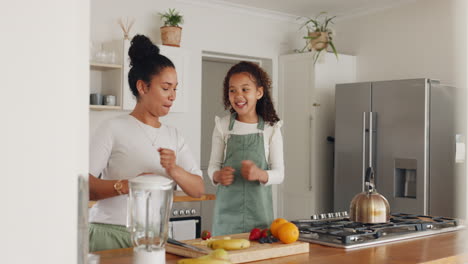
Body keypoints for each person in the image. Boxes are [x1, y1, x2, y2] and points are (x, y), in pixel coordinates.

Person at [88, 35, 204, 252]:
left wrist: (173, 169)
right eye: (166, 88)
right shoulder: (112, 127)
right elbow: (83, 185)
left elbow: (198, 189)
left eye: (175, 89)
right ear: (143, 87)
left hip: (154, 238)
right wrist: (128, 186)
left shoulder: (174, 135)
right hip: (109, 232)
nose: (172, 96)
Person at [208, 61, 284, 236]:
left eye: (245, 89)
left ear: (259, 92)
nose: (238, 95)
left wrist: (261, 174)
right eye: (232, 90)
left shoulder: (271, 128)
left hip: (259, 215)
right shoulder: (222, 125)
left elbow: (280, 173)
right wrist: (217, 175)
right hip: (226, 215)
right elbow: (213, 165)